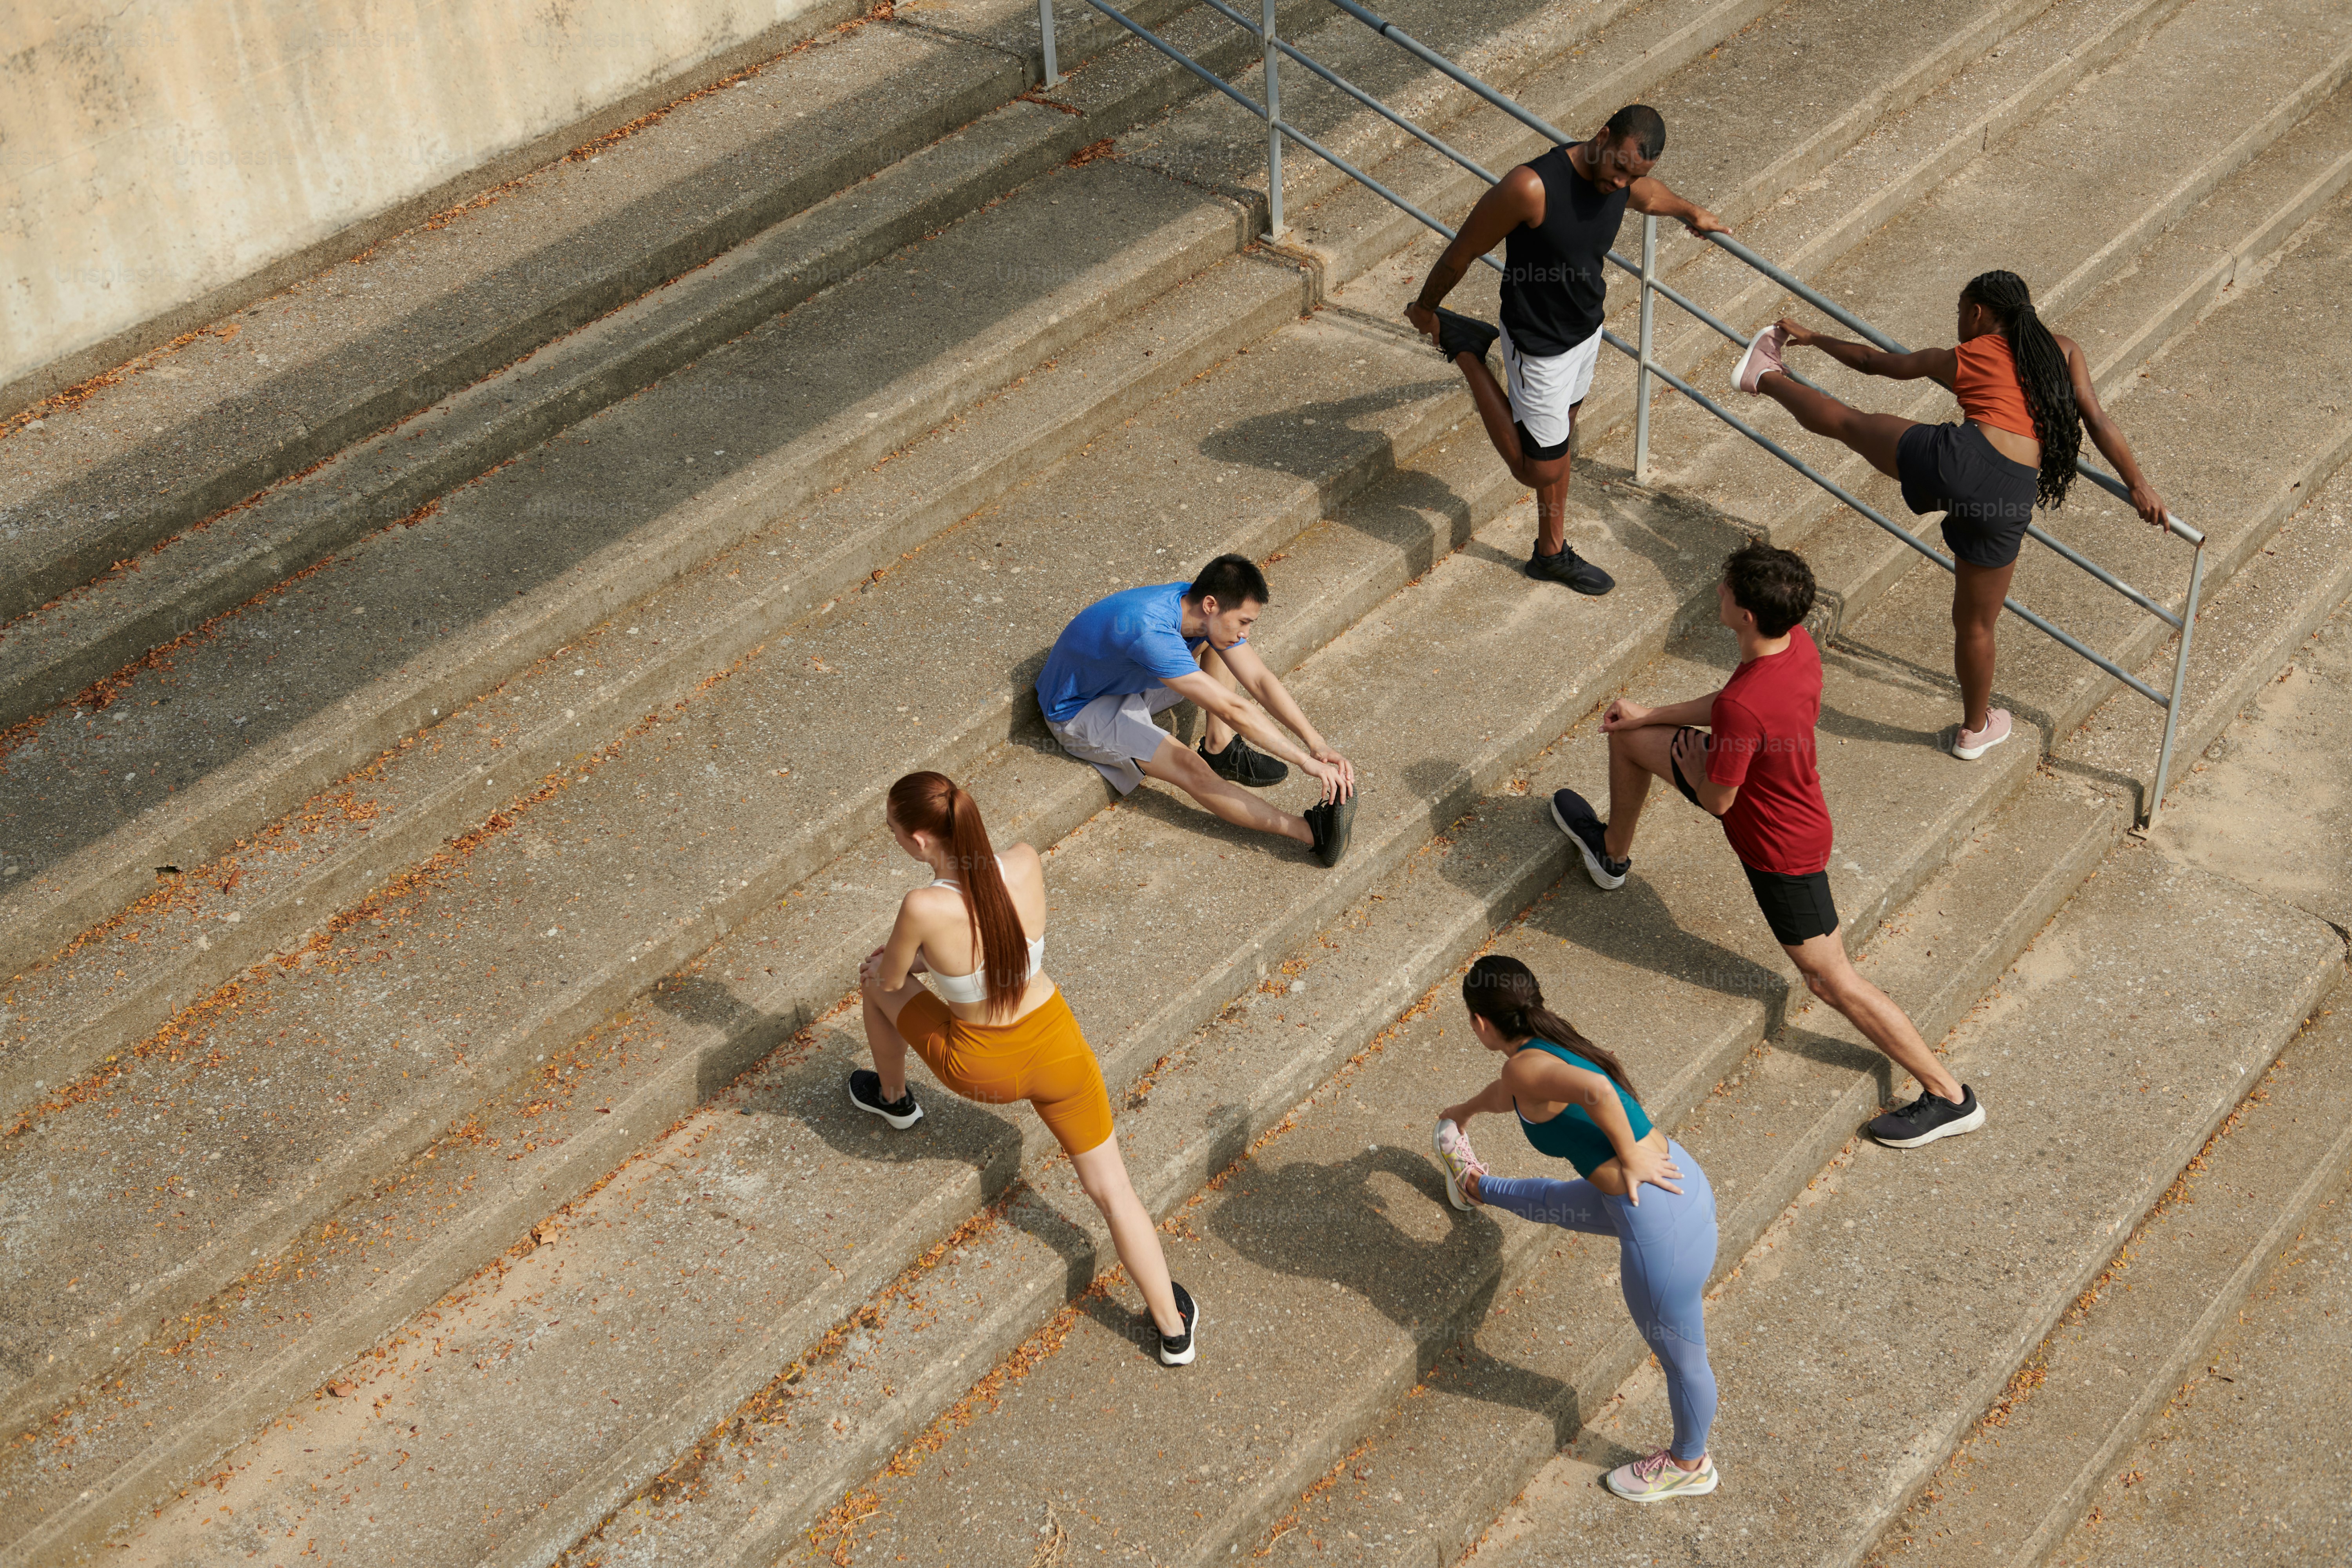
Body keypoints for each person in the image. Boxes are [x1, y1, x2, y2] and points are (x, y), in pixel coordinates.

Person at [1549, 542, 1985, 1149]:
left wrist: (1688, 753)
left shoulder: (1743, 705)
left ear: (1746, 614)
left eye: (1726, 588)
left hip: (1781, 851)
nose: (1718, 590)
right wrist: (1653, 717)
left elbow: (1718, 799)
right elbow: (1731, 708)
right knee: (1629, 740)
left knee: (1831, 980)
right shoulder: (1795, 647)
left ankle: (1948, 1095)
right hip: (1788, 807)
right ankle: (1610, 855)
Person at [1732, 268, 2168, 759]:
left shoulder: (1971, 352)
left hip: (1961, 460)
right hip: (2008, 497)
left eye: (1960, 312)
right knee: (1977, 625)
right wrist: (2138, 484)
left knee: (1851, 424)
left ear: (1978, 312)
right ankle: (1974, 730)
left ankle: (1763, 375)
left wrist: (1814, 338)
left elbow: (1873, 362)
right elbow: (2097, 418)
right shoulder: (2063, 350)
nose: (1959, 321)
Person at [853, 771, 1201, 1366]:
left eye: (891, 830)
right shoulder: (1022, 861)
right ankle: (1172, 1331)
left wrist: (906, 968)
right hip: (1058, 1051)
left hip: (979, 1065)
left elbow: (891, 980)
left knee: (871, 982)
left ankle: (893, 1098)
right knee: (1113, 1191)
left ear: (917, 841)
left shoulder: (923, 905)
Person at [1405, 104, 1728, 595]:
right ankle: (1465, 347)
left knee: (1560, 442)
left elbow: (1645, 194)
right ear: (1601, 138)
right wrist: (1428, 309)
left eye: (1633, 174)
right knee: (1536, 469)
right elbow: (1463, 251)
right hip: (1538, 346)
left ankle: (1551, 553)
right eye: (1620, 168)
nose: (1622, 183)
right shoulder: (1531, 188)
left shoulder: (1621, 180)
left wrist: (1689, 210)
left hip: (1585, 333)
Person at [1431, 955, 1720, 1502]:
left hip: (1657, 1226)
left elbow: (1600, 1093)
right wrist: (1463, 1111)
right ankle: (1473, 1186)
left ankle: (1690, 1463)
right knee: (1553, 1201)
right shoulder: (1543, 1043)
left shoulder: (1526, 1065)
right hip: (1678, 1185)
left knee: (1683, 1361)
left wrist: (1630, 1157)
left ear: (1480, 1024)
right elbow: (1511, 1096)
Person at [1035, 553, 1357, 865]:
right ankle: (1314, 833)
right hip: (1080, 709)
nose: (1247, 633)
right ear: (1210, 604)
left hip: (1128, 677)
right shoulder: (1150, 631)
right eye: (1244, 621)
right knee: (1189, 767)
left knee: (1223, 641)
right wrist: (1303, 761)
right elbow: (1235, 709)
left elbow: (1259, 680)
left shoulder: (1196, 605)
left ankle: (1219, 746)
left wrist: (1316, 743)